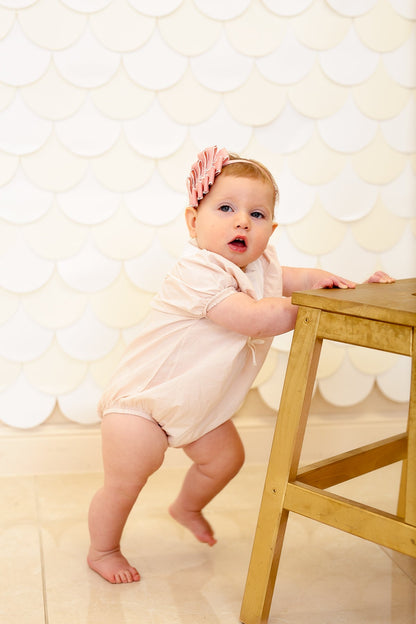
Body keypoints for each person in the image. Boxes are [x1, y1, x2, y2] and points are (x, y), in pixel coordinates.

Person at [87, 146, 394, 584]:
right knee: (125, 483)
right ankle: (104, 549)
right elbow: (253, 318)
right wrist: (311, 307)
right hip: (142, 405)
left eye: (257, 214)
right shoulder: (197, 271)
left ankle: (187, 506)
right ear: (194, 221)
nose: (242, 221)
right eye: (226, 208)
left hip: (200, 408)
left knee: (226, 459)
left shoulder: (261, 266)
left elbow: (307, 280)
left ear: (271, 229)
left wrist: (346, 287)